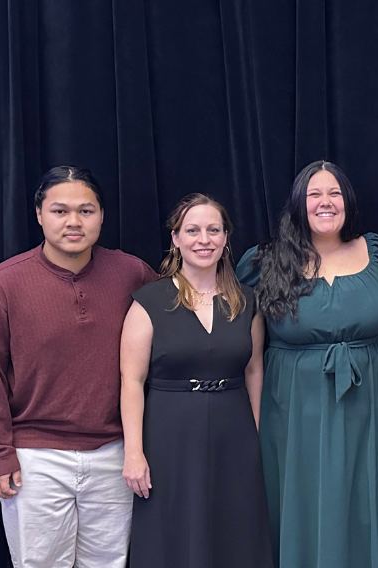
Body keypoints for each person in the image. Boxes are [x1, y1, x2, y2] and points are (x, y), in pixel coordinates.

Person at [0, 166, 156, 568]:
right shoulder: (2, 286)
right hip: (34, 459)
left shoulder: (133, 274)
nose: (74, 222)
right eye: (60, 211)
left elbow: (168, 347)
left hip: (114, 454)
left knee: (108, 564)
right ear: (39, 214)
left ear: (102, 215)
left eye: (86, 210)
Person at [237, 160, 378, 567]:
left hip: (371, 398)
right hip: (293, 405)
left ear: (347, 201)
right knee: (303, 496)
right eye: (314, 194)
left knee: (372, 497)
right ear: (298, 203)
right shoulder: (264, 261)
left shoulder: (377, 254)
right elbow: (240, 336)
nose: (325, 202)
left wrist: (352, 346)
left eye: (334, 193)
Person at [120, 193, 273, 567]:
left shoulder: (247, 301)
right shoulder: (149, 302)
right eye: (192, 230)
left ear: (225, 239)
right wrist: (134, 453)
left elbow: (254, 370)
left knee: (234, 530)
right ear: (176, 238)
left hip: (233, 431)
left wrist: (256, 435)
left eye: (213, 230)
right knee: (172, 532)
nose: (203, 239)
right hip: (168, 434)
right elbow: (132, 381)